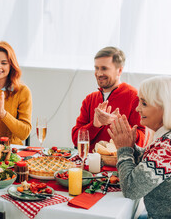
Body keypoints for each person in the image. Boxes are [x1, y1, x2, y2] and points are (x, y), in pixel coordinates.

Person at [107, 76, 171, 219]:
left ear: (165, 108)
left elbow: (131, 190)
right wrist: (130, 146)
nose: (137, 109)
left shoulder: (167, 147)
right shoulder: (165, 140)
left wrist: (124, 149)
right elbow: (149, 161)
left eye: (144, 103)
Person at [72, 46, 145, 151]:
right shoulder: (90, 99)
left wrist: (120, 125)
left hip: (119, 165)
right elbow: (75, 139)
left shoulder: (135, 97)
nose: (99, 73)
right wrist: (94, 125)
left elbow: (143, 141)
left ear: (119, 71)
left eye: (104, 68)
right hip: (89, 163)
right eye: (96, 68)